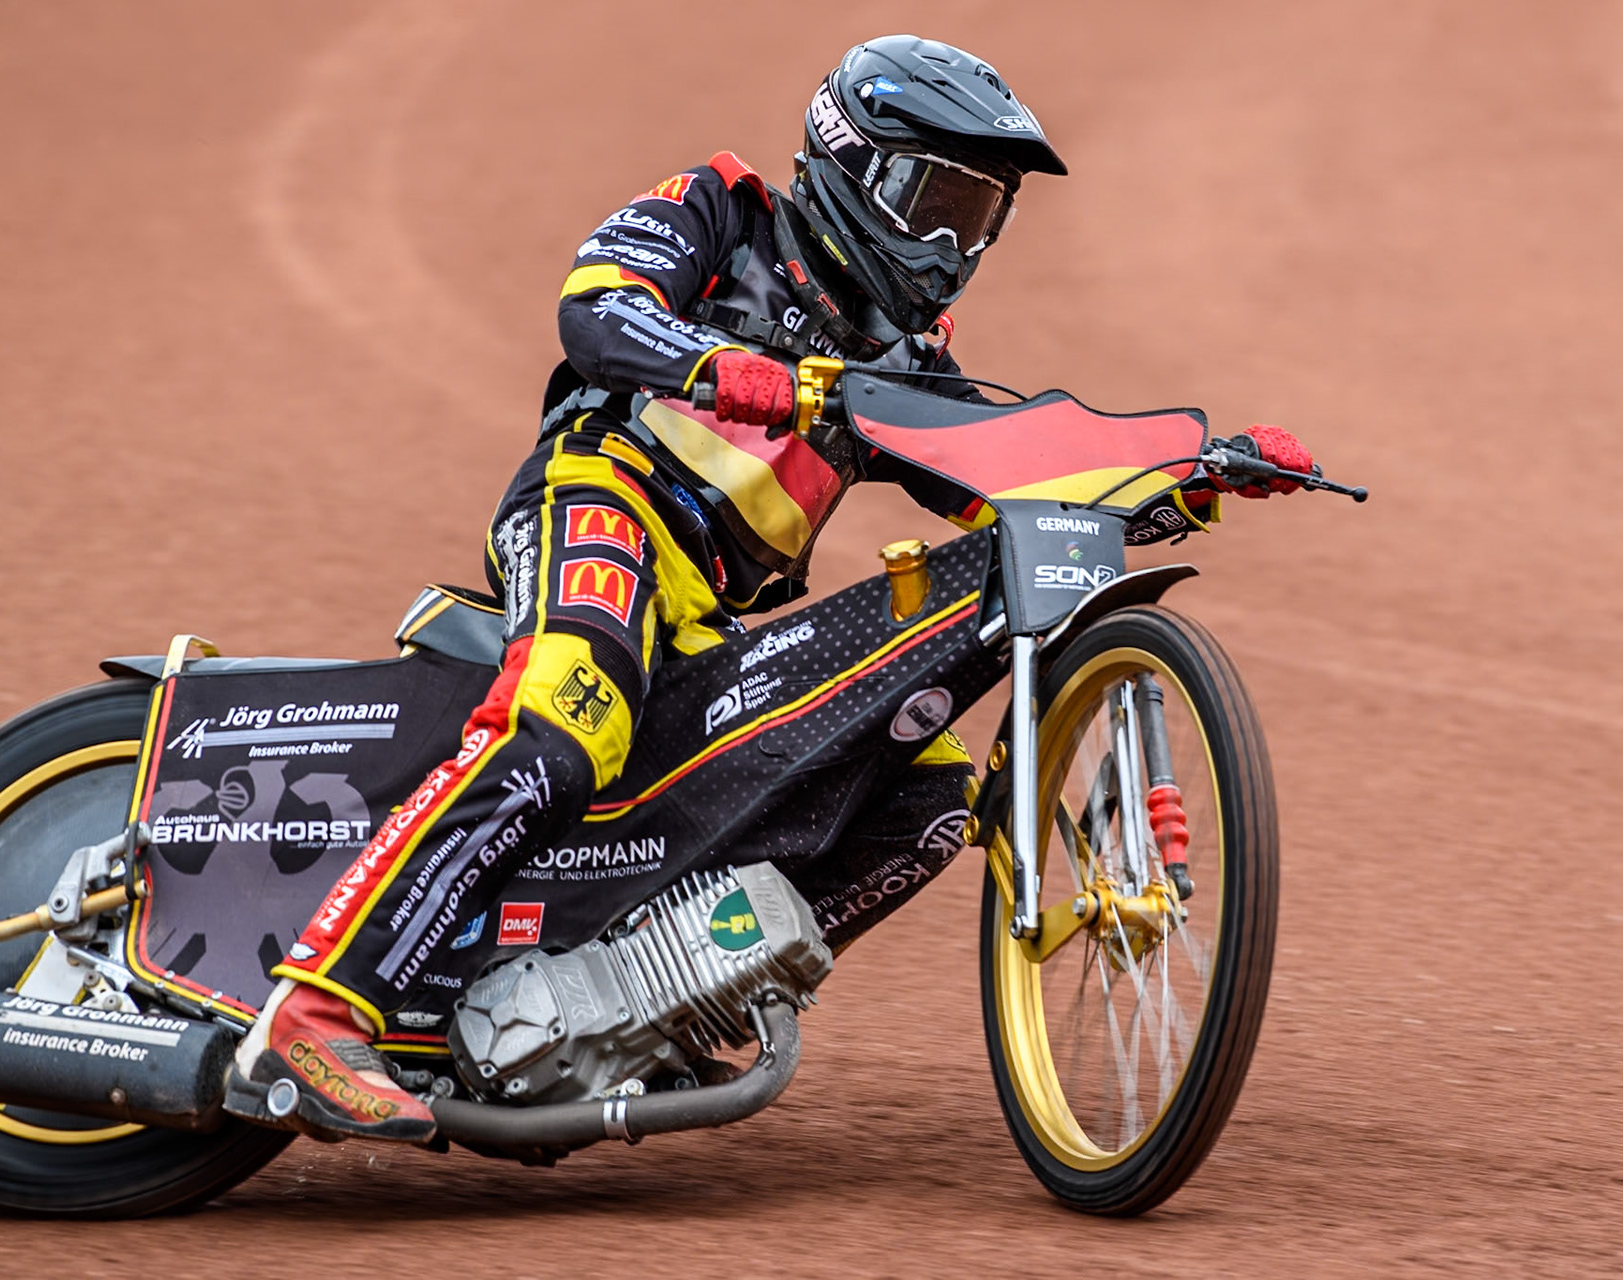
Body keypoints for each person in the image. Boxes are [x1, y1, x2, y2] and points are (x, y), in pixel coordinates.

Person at [223, 34, 1315, 1143]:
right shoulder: (720, 209)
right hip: (600, 505)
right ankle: (313, 1009)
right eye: (934, 197)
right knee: (562, 729)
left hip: (708, 610)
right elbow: (594, 312)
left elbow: (1002, 486)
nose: (951, 243)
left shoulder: (905, 356)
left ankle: (658, 993)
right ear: (853, 161)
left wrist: (1184, 479)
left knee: (925, 795)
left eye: (979, 216)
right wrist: (730, 370)